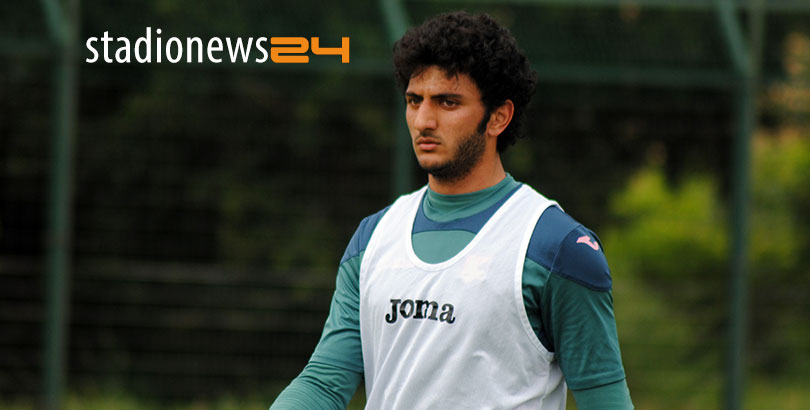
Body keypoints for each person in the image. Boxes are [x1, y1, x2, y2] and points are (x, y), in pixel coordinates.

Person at [270, 11, 633, 409]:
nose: (424, 120)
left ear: (498, 116)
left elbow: (606, 401)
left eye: (447, 102)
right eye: (414, 100)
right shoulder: (372, 239)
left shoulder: (557, 247)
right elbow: (323, 384)